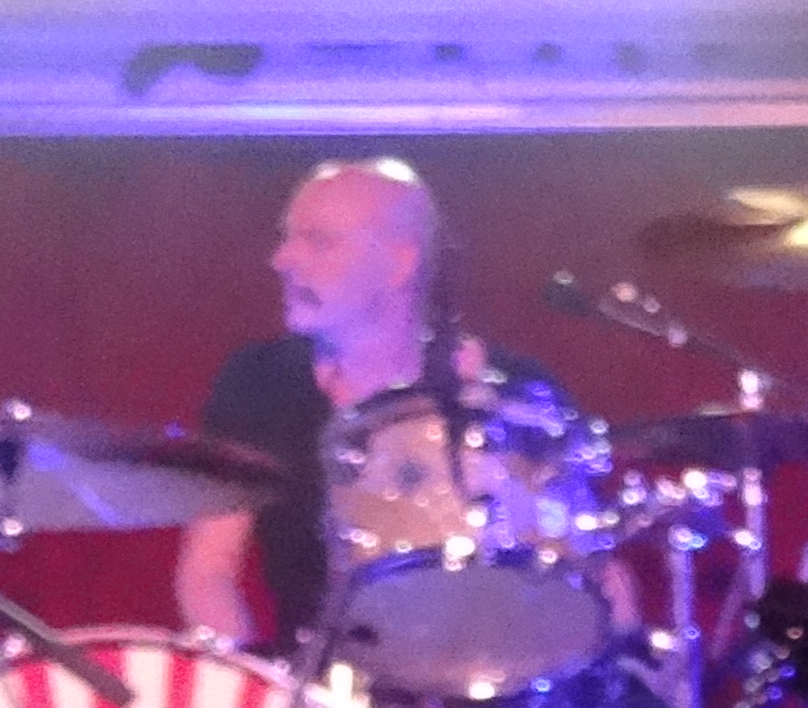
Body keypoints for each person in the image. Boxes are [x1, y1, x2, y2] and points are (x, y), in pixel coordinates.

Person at [174, 156, 557, 651]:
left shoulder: (512, 388)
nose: (282, 259)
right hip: (316, 686)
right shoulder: (260, 382)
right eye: (287, 238)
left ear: (400, 263)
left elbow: (584, 567)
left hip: (490, 677)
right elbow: (207, 573)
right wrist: (249, 679)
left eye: (318, 241)